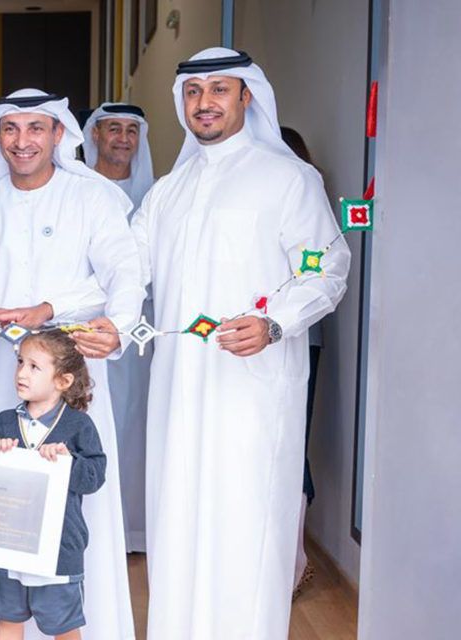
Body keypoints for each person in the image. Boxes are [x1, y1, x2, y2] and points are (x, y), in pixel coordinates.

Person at [131, 48, 350, 639]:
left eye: (219, 90)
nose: (204, 103)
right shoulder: (166, 193)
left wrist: (275, 322)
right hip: (178, 391)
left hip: (254, 393)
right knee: (177, 518)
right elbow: (127, 271)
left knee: (246, 522)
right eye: (193, 92)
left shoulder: (288, 180)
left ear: (247, 96)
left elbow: (324, 267)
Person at [0, 88, 142, 640]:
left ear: (59, 133)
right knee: (1, 492)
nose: (22, 141)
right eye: (11, 129)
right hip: (1, 375)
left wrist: (52, 309)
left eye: (36, 128)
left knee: (77, 494)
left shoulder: (93, 198)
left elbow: (123, 275)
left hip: (71, 375)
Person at [0, 330, 106, 640]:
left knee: (63, 627)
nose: (21, 373)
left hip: (59, 550)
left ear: (63, 380)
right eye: (20, 362)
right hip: (9, 545)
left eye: (34, 366)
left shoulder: (78, 425)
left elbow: (94, 477)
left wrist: (67, 461)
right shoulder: (4, 422)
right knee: (8, 619)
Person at [83, 102, 155, 553]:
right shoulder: (79, 189)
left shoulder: (156, 195)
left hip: (139, 332)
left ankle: (132, 530)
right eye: (114, 129)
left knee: (133, 421)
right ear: (95, 135)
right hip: (84, 328)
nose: (123, 139)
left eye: (131, 130)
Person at [280, 125, 323, 598]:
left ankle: (296, 559)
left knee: (292, 441)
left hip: (300, 338)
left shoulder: (303, 192)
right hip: (251, 342)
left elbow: (316, 270)